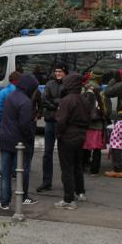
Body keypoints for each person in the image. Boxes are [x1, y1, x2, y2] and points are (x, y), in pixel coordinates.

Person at [0, 74, 39, 210]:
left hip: (5, 139)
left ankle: (4, 202)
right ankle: (23, 197)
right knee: (22, 170)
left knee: (5, 172)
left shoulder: (10, 96)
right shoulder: (26, 102)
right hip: (19, 142)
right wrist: (30, 138)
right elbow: (24, 125)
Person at [54, 73, 89, 209]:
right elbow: (88, 118)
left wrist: (60, 134)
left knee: (67, 168)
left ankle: (68, 199)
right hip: (80, 135)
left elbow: (61, 121)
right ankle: (80, 192)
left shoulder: (67, 100)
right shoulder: (84, 99)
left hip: (68, 136)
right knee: (77, 165)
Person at [38, 63, 67, 192]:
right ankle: (46, 181)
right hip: (50, 120)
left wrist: (55, 103)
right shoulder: (50, 84)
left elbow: (68, 102)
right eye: (56, 71)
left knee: (64, 153)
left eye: (60, 71)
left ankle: (66, 182)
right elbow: (44, 100)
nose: (57, 73)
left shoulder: (68, 84)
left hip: (63, 122)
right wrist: (58, 104)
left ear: (65, 72)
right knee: (47, 153)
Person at [81, 72, 109, 176]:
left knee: (86, 146)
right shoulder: (102, 91)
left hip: (87, 124)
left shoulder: (84, 89)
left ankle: (83, 166)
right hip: (98, 124)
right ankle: (95, 170)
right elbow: (107, 109)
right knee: (97, 148)